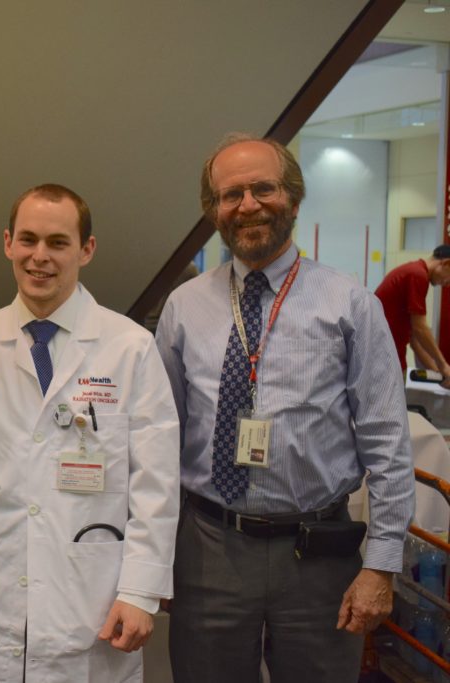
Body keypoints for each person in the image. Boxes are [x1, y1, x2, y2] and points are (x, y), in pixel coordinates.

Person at [155, 133, 414, 683]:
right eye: (230, 195)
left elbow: (388, 443)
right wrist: (153, 559)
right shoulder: (183, 307)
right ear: (214, 212)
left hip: (318, 558)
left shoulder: (349, 304)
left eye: (263, 189)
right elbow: (158, 443)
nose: (247, 205)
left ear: (294, 198)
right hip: (209, 552)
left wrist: (382, 565)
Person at [0, 183, 180, 682]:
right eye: (27, 240)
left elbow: (156, 482)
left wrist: (139, 591)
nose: (39, 256)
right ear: (8, 244)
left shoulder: (129, 347)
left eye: (58, 243)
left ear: (86, 250)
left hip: (93, 596)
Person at [375, 244, 450, 385]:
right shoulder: (417, 275)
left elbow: (415, 341)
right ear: (446, 263)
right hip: (383, 361)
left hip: (389, 359)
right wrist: (444, 366)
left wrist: (440, 374)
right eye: (449, 278)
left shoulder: (413, 272)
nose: (446, 284)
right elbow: (420, 328)